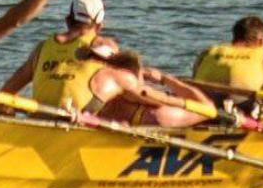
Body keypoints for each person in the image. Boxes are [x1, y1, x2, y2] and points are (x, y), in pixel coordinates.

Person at [0, 0, 115, 113]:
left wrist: (8, 115)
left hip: (39, 121)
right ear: (100, 26)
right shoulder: (104, 46)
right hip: (77, 123)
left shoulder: (42, 48)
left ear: (68, 20)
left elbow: (6, 92)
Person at [88, 45, 218, 128]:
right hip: (146, 118)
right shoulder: (159, 113)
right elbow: (206, 107)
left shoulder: (92, 86)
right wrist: (165, 79)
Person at [191, 16, 263, 91]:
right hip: (243, 99)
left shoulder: (209, 51)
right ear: (261, 41)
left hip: (202, 95)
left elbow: (194, 76)